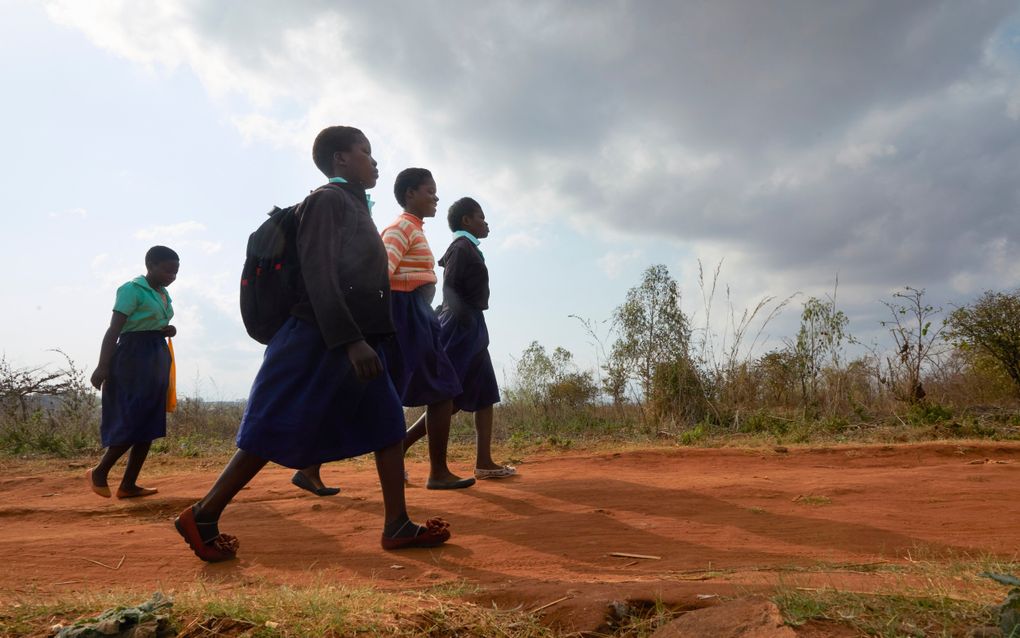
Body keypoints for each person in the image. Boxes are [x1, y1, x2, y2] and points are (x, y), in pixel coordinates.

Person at [174, 126, 450, 562]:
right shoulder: (327, 201)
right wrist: (351, 342)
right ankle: (204, 513)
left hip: (353, 340)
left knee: (387, 425)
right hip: (317, 338)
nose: (374, 161)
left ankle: (397, 523)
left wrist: (369, 340)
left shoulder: (355, 206)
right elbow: (320, 274)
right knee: (270, 429)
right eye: (365, 152)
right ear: (340, 159)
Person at [295, 168, 474, 492]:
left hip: (414, 315)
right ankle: (437, 472)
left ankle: (309, 466)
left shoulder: (413, 228)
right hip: (404, 316)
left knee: (383, 394)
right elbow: (379, 273)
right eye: (429, 191)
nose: (435, 198)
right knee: (443, 391)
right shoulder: (400, 228)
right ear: (410, 194)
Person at [404, 197, 515, 480]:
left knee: (486, 393)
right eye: (481, 217)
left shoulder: (468, 248)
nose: (485, 222)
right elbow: (450, 287)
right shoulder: (461, 247)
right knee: (447, 399)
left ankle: (484, 462)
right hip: (461, 326)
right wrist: (463, 322)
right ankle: (402, 444)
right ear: (466, 220)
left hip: (471, 323)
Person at [87, 245, 179, 499]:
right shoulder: (131, 289)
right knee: (134, 419)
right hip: (132, 358)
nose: (172, 276)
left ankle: (128, 485)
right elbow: (115, 330)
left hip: (155, 356)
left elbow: (149, 323)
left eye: (176, 272)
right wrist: (103, 365)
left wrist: (167, 330)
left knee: (149, 421)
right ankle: (99, 471)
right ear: (151, 266)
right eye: (168, 270)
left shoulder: (161, 294)